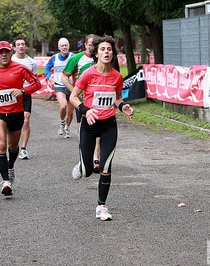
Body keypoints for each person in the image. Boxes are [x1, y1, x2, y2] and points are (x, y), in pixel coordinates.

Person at [69, 36, 134, 221]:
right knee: (88, 171)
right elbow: (74, 97)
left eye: (109, 49)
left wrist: (124, 107)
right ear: (96, 54)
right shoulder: (88, 74)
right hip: (89, 126)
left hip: (108, 126)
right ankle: (82, 165)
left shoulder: (116, 76)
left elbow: (117, 98)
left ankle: (101, 206)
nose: (106, 52)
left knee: (105, 165)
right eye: (102, 49)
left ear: (112, 54)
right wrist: (85, 110)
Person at [0, 41, 41, 196]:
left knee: (13, 147)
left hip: (16, 112)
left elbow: (37, 83)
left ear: (11, 53)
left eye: (6, 52)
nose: (4, 55)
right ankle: (5, 181)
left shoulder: (20, 68)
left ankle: (10, 165)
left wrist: (23, 90)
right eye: (0, 52)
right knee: (1, 144)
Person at [61, 34, 101, 172]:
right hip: (81, 102)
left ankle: (96, 158)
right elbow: (64, 76)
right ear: (85, 45)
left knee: (97, 130)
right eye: (90, 44)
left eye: (95, 45)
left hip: (97, 100)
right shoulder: (77, 58)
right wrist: (74, 92)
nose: (92, 47)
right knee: (83, 130)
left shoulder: (100, 58)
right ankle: (85, 156)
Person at [11, 36, 38, 160]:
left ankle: (23, 149)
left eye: (23, 44)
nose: (21, 46)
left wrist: (26, 90)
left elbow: (35, 81)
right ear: (14, 47)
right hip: (12, 95)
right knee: (12, 123)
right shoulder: (10, 60)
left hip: (25, 94)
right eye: (18, 44)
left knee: (26, 120)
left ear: (25, 46)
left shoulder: (32, 62)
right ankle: (12, 146)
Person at [45, 38, 74, 138]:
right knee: (63, 106)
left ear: (69, 46)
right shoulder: (54, 58)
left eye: (66, 45)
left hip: (71, 87)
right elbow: (47, 67)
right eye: (62, 45)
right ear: (59, 47)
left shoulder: (72, 57)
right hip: (59, 86)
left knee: (70, 112)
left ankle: (66, 127)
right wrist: (49, 77)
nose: (64, 47)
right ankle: (62, 122)